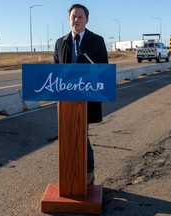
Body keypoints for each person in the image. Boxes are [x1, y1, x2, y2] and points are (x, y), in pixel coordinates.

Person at [53, 4, 108, 185]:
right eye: (73, 17)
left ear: (87, 20)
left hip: (87, 99)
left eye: (80, 17)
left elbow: (103, 70)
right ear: (69, 19)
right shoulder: (60, 42)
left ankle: (87, 173)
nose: (76, 20)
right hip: (66, 102)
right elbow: (55, 73)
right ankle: (73, 176)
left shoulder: (97, 41)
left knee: (81, 135)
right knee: (71, 137)